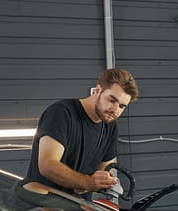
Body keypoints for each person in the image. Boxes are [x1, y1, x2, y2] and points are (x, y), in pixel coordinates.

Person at [25, 68, 139, 197]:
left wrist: (105, 181)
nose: (115, 110)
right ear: (97, 90)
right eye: (112, 100)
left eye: (122, 106)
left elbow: (106, 169)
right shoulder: (62, 113)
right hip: (40, 207)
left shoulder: (110, 127)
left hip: (76, 209)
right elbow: (47, 165)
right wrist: (87, 182)